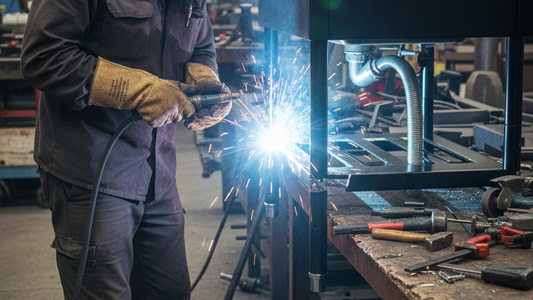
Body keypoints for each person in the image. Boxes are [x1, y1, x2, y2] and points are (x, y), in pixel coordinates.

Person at [21, 0, 231, 299]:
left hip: (158, 172)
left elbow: (201, 46)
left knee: (170, 291)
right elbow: (44, 57)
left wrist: (205, 79)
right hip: (92, 171)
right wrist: (139, 90)